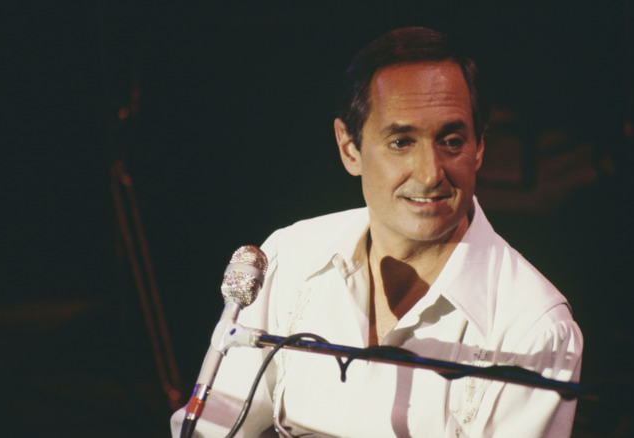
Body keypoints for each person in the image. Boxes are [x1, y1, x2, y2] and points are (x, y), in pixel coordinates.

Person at [171, 26, 582, 437]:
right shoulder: (290, 258)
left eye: (451, 141)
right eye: (401, 142)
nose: (429, 174)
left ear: (479, 149)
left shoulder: (534, 330)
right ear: (349, 148)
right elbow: (212, 427)